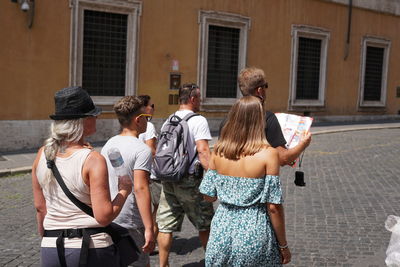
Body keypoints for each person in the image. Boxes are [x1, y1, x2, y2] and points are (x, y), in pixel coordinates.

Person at [32, 86, 133, 266]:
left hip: (51, 246)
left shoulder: (42, 154)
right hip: (91, 247)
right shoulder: (92, 159)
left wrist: (45, 235)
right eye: (93, 115)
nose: (97, 118)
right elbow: (104, 216)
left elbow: (40, 207)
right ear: (84, 121)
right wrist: (124, 190)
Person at [200, 96, 291, 266]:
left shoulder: (219, 150)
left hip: (221, 230)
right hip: (254, 231)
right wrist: (283, 246)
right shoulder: (268, 154)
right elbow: (273, 207)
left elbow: (208, 196)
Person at [156, 83, 215, 267]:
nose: (200, 101)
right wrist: (214, 176)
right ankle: (213, 262)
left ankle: (163, 264)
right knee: (205, 224)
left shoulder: (169, 119)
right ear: (192, 99)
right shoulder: (198, 120)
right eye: (199, 98)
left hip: (169, 178)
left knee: (165, 225)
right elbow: (203, 151)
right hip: (190, 180)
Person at [101, 96, 155, 267]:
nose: (148, 121)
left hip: (113, 213)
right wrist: (149, 227)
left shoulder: (110, 144)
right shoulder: (142, 150)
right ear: (138, 120)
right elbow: (140, 188)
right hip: (132, 219)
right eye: (147, 117)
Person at [234, 67, 312, 166]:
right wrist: (303, 143)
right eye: (265, 86)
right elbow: (283, 158)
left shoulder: (229, 118)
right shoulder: (267, 118)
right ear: (259, 90)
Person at [137, 95, 161, 254]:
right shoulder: (149, 126)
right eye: (152, 105)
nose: (153, 108)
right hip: (150, 173)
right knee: (158, 208)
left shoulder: (134, 124)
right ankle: (150, 239)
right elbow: (151, 150)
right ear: (146, 108)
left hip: (137, 171)